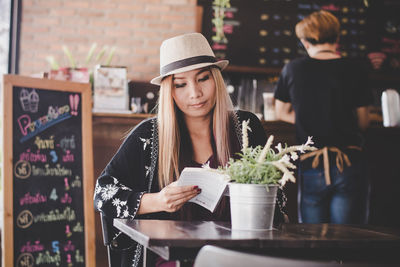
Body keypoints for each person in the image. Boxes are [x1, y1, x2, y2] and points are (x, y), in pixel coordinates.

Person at [94, 33, 286, 267]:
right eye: (181, 84)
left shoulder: (245, 127)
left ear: (216, 79)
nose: (194, 93)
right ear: (169, 91)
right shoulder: (149, 135)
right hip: (169, 260)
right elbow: (103, 194)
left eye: (203, 78)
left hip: (239, 258)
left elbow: (278, 199)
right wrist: (158, 201)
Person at [274, 10, 373, 224]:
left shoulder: (293, 69)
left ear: (304, 41)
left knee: (313, 239)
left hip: (312, 162)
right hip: (348, 161)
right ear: (337, 38)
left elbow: (281, 112)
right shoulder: (356, 68)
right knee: (348, 237)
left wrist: (310, 119)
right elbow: (363, 122)